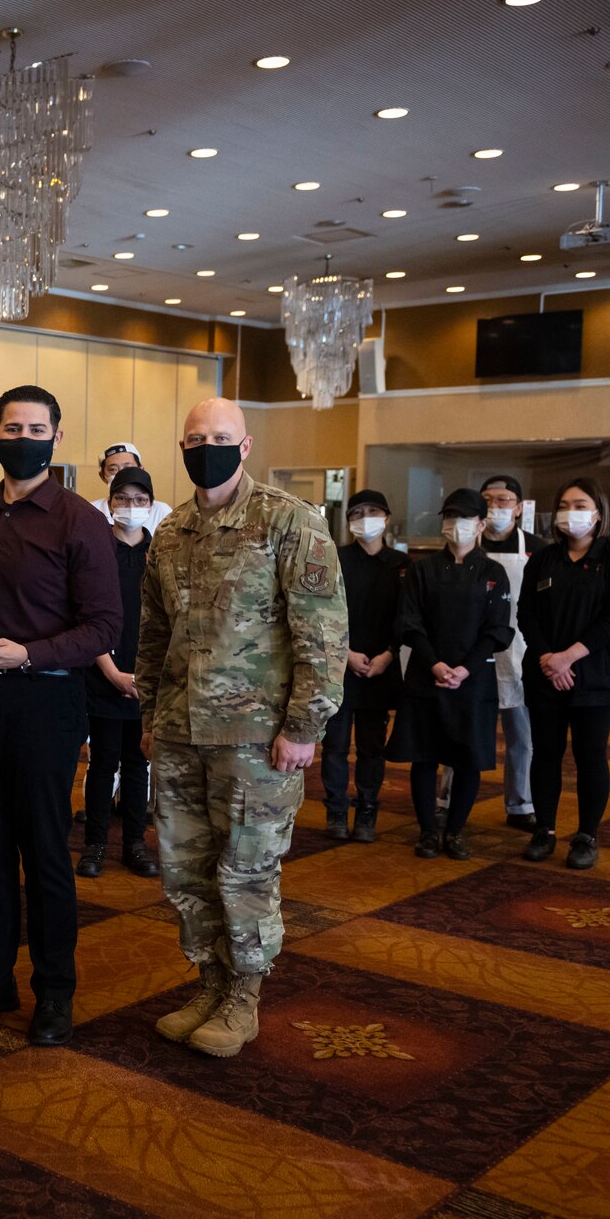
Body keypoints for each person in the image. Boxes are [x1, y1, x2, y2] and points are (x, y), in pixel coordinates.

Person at [135, 397, 345, 1058]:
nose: (207, 447)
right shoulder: (169, 534)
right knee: (186, 868)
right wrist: (149, 714)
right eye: (195, 438)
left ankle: (245, 997)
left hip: (258, 739)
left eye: (220, 437)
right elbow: (153, 634)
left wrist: (304, 725)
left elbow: (323, 632)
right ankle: (211, 980)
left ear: (245, 445)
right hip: (178, 735)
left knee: (245, 871)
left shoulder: (289, 520)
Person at [0, 384, 122, 1047]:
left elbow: (104, 626)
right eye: (13, 426)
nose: (23, 436)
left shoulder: (78, 520)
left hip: (47, 702)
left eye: (36, 427)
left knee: (44, 854)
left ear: (57, 437)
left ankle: (55, 991)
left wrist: (31, 653)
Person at [389, 489, 515, 862]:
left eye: (463, 518)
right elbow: (408, 621)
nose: (455, 525)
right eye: (449, 517)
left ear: (480, 524)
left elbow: (497, 630)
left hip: (473, 678)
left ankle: (456, 831)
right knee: (424, 756)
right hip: (427, 674)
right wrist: (435, 664)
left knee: (468, 757)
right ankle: (428, 831)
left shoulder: (494, 573)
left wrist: (465, 668)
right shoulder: (422, 569)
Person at [520, 477, 610, 870]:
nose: (572, 512)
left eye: (581, 504)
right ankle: (545, 830)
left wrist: (569, 657)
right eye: (565, 505)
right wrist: (549, 659)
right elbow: (526, 614)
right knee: (546, 753)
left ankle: (586, 836)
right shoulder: (541, 559)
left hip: (595, 671)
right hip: (544, 671)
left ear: (598, 513)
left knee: (590, 756)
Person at [80, 465, 158, 879]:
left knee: (138, 765)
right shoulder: (98, 552)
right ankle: (94, 845)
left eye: (140, 501)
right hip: (103, 674)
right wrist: (111, 672)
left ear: (151, 505)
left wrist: (144, 677)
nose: (131, 507)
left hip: (145, 680)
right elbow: (86, 617)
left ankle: (134, 844)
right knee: (102, 764)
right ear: (110, 505)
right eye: (123, 500)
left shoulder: (158, 554)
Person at [321, 490, 405, 843]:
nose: (365, 517)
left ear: (386, 517)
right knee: (335, 745)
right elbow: (324, 612)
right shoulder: (335, 558)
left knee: (372, 746)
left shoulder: (402, 565)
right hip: (341, 664)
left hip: (382, 667)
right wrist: (346, 653)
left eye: (372, 511)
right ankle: (336, 810)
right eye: (357, 512)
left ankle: (368, 810)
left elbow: (408, 616)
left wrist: (388, 654)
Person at [479, 474, 540, 832]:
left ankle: (521, 804)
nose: (494, 507)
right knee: (465, 732)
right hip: (473, 655)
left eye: (503, 500)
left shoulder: (537, 548)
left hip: (520, 653)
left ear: (518, 507)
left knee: (522, 737)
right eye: (487, 499)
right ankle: (448, 802)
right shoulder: (467, 545)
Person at [91, 442, 174, 531]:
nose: (122, 474)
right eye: (113, 469)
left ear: (141, 470)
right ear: (102, 476)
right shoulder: (91, 511)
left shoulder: (162, 512)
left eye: (128, 468)